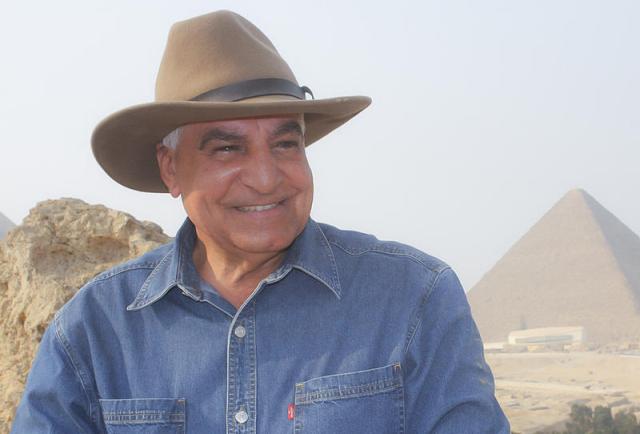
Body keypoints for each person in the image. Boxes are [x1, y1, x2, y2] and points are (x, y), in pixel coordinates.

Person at [12, 10, 509, 433]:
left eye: (286, 144)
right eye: (228, 148)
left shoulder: (412, 299)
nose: (267, 178)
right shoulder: (95, 331)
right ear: (170, 168)